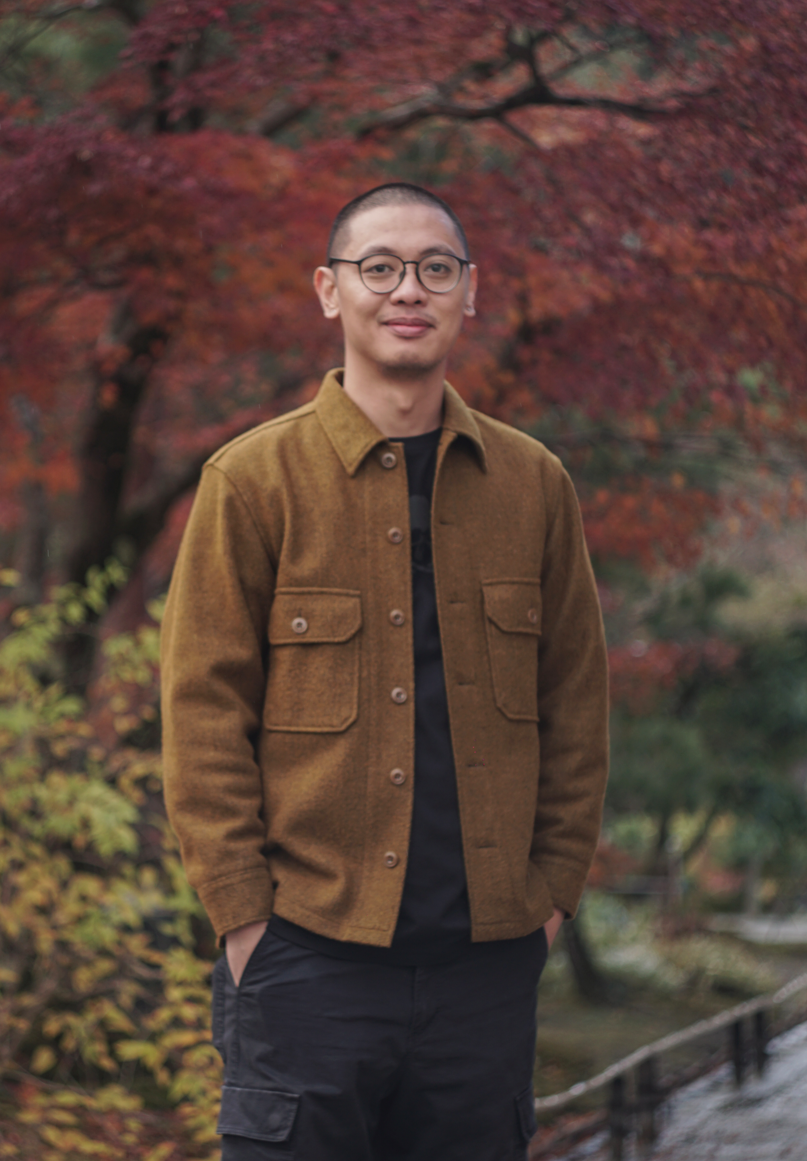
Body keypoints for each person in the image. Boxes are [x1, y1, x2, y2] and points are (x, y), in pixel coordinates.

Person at [160, 182, 609, 1161]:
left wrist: (551, 898)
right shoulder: (253, 481)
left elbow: (576, 707)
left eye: (435, 269)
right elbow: (201, 716)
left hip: (486, 973)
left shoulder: (533, 484)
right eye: (380, 267)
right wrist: (245, 923)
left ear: (469, 292)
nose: (409, 289)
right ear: (330, 291)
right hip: (304, 960)